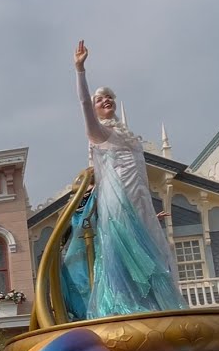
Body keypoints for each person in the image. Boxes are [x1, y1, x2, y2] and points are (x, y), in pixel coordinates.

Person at [60, 40, 186, 321]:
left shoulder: (126, 134)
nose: (106, 101)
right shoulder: (100, 132)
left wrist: (153, 212)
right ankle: (127, 307)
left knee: (149, 253)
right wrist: (80, 70)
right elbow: (82, 104)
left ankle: (153, 306)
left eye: (109, 98)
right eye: (99, 99)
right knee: (125, 251)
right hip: (118, 201)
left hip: (139, 199)